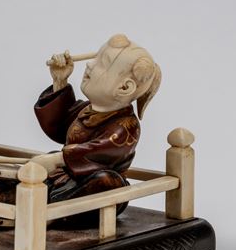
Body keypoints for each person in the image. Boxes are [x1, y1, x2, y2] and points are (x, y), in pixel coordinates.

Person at [30, 34, 161, 220]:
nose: (90, 65)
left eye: (102, 63)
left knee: (106, 182)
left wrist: (58, 159)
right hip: (68, 179)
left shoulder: (126, 127)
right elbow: (59, 127)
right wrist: (60, 81)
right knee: (46, 161)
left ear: (124, 87)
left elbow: (97, 151)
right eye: (95, 58)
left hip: (94, 189)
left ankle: (48, 210)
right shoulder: (87, 109)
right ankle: (43, 201)